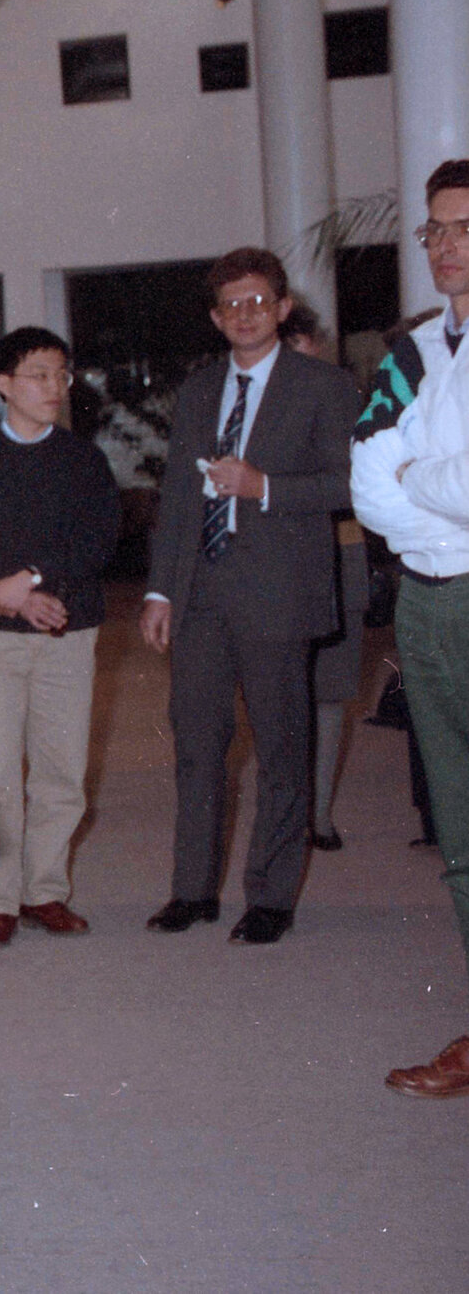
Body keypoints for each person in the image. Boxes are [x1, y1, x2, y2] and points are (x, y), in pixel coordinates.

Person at [140, 248, 360, 945]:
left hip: (279, 593)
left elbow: (351, 484)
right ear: (215, 316)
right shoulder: (201, 388)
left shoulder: (323, 386)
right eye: (231, 305)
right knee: (198, 745)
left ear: (283, 306)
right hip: (202, 592)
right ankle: (193, 889)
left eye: (258, 302)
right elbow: (177, 495)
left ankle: (270, 897)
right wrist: (159, 590)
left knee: (282, 746)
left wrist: (262, 485)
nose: (245, 315)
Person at [350, 158, 469, 1098]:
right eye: (434, 229)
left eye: (463, 226)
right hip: (426, 602)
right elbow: (367, 484)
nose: (446, 245)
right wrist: (429, 483)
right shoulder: (414, 351)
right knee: (460, 834)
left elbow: (454, 483)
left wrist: (420, 475)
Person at [0, 328, 121, 945]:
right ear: (4, 385)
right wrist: (11, 597)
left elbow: (98, 540)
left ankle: (44, 890)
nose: (54, 388)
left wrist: (35, 580)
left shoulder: (83, 460)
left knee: (60, 770)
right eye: (39, 375)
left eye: (61, 375)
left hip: (67, 632)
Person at [276, 304, 364, 851]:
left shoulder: (347, 403)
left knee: (330, 694)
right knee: (279, 695)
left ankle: (320, 815)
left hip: (340, 556)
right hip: (276, 565)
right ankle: (288, 811)